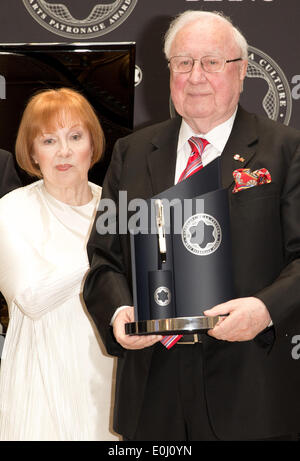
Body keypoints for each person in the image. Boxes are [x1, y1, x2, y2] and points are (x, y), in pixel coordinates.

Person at [83, 10, 300, 441]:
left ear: (240, 74)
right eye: (183, 62)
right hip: (151, 391)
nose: (195, 75)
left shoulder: (286, 151)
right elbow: (104, 260)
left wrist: (264, 310)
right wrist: (119, 312)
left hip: (250, 388)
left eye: (211, 62)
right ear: (169, 73)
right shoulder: (132, 152)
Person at [0, 88, 119, 441]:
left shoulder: (117, 206)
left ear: (92, 145)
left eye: (75, 137)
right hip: (41, 375)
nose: (64, 151)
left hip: (109, 372)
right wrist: (106, 253)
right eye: (49, 140)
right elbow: (31, 296)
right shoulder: (11, 210)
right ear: (33, 153)